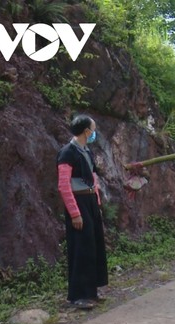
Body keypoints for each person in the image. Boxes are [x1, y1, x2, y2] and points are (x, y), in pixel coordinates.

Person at [57, 114, 108, 309]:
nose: (94, 133)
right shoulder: (67, 153)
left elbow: (93, 180)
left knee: (93, 245)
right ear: (86, 131)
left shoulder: (86, 151)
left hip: (90, 201)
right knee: (81, 247)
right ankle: (78, 295)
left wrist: (97, 204)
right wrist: (75, 213)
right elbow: (63, 185)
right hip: (77, 202)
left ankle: (92, 291)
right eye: (93, 129)